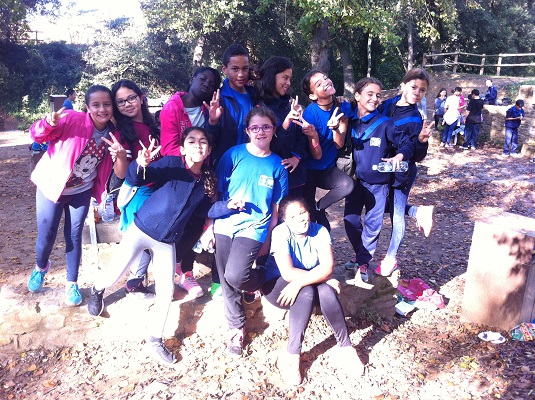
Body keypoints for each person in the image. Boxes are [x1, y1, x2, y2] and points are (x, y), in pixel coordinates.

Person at [88, 127, 217, 364]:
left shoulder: (205, 182)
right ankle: (97, 289)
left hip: (167, 242)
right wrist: (140, 163)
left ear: (208, 150)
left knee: (166, 291)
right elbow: (135, 178)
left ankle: (156, 339)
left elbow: (206, 211)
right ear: (182, 149)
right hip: (142, 228)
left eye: (203, 142)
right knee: (115, 273)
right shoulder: (172, 164)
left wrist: (228, 208)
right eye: (191, 141)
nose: (198, 145)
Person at [27, 85, 126, 306]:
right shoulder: (72, 119)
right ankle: (41, 267)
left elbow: (117, 170)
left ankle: (71, 282)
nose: (102, 109)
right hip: (51, 187)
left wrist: (119, 157)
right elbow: (37, 134)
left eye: (107, 104)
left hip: (81, 191)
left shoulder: (114, 134)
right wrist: (48, 123)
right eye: (96, 105)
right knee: (47, 235)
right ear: (88, 107)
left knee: (74, 236)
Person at [209, 107, 288, 357]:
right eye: (255, 127)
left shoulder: (278, 165)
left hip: (255, 226)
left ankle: (259, 278)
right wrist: (209, 226)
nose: (260, 132)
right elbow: (216, 193)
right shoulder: (233, 155)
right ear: (247, 131)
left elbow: (275, 208)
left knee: (236, 275)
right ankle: (236, 328)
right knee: (226, 279)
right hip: (225, 223)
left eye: (266, 127)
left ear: (274, 130)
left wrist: (268, 237)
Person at [261, 196, 365, 386]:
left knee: (325, 291)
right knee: (307, 291)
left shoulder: (320, 231)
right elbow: (288, 272)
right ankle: (292, 356)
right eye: (293, 216)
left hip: (309, 282)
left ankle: (346, 348)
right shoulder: (280, 232)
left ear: (309, 212)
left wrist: (313, 279)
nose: (300, 219)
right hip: (277, 285)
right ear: (284, 219)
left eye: (302, 213)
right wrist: (321, 277)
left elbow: (328, 267)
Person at [147, 67, 221, 298]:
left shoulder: (207, 109)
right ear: (192, 79)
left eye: (212, 83)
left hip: (201, 173)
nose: (207, 84)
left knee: (197, 222)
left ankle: (184, 271)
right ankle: (167, 274)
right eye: (203, 79)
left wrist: (212, 121)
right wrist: (192, 162)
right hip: (179, 175)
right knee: (179, 223)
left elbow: (209, 141)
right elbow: (170, 147)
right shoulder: (173, 107)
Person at [343, 77, 413, 282]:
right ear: (357, 96)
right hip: (354, 182)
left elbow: (407, 143)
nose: (375, 99)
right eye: (370, 94)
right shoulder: (348, 121)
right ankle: (360, 255)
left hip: (378, 185)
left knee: (373, 225)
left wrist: (399, 156)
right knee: (350, 221)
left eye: (378, 95)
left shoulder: (385, 124)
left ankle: (362, 262)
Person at [375, 68, 434, 276]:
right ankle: (418, 212)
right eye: (413, 87)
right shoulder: (389, 104)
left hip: (402, 171)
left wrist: (422, 141)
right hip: (383, 168)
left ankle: (391, 258)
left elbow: (416, 156)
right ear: (403, 86)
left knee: (396, 214)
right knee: (379, 206)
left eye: (422, 90)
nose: (417, 93)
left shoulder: (415, 119)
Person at [110, 79, 161, 298]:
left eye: (131, 98)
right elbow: (122, 174)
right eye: (120, 102)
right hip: (138, 192)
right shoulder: (121, 133)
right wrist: (121, 156)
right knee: (142, 238)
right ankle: (133, 283)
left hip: (159, 189)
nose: (127, 104)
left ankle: (150, 282)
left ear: (141, 98)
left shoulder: (153, 126)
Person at [300, 70, 354, 231]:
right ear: (312, 95)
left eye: (325, 78)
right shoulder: (310, 114)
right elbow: (316, 155)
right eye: (319, 84)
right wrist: (313, 135)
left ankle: (319, 207)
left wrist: (335, 129)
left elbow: (338, 144)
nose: (326, 82)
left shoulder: (343, 106)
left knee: (347, 185)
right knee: (312, 219)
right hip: (308, 169)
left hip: (328, 168)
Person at [254, 56, 312, 196]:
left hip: (295, 178)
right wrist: (286, 122)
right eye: (285, 78)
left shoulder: (290, 106)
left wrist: (296, 157)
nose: (288, 83)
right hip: (269, 180)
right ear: (271, 76)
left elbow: (302, 139)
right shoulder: (259, 109)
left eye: (290, 79)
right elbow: (267, 146)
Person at [206, 43, 255, 166]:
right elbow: (210, 140)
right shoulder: (218, 99)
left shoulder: (255, 96)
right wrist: (212, 122)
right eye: (235, 69)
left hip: (251, 162)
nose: (241, 74)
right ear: (224, 69)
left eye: (245, 68)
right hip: (227, 164)